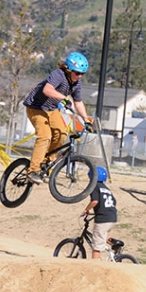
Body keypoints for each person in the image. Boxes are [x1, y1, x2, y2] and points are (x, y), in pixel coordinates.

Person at [22, 51, 92, 184]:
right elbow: (47, 90)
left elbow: (78, 102)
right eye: (77, 73)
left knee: (62, 134)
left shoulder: (76, 83)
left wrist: (86, 119)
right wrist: (63, 98)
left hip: (51, 109)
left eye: (83, 73)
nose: (80, 76)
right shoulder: (58, 75)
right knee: (45, 136)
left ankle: (46, 163)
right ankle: (33, 170)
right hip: (36, 107)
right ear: (68, 69)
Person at [82, 165, 117, 259]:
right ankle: (116, 244)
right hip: (112, 217)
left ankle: (94, 264)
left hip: (103, 219)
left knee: (96, 245)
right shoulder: (106, 188)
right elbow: (114, 202)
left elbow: (95, 201)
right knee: (103, 235)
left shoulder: (95, 187)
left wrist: (86, 210)